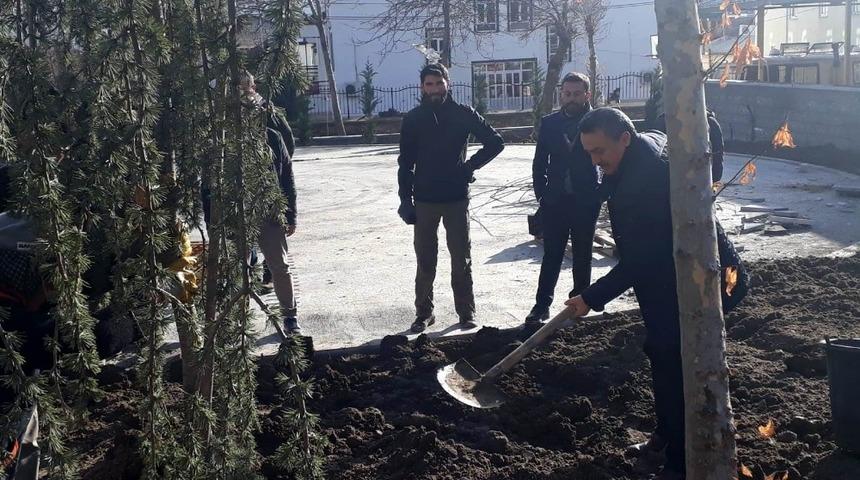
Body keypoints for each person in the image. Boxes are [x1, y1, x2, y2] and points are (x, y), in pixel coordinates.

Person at [565, 108, 748, 480]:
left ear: (624, 139)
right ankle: (666, 437)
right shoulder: (643, 148)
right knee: (663, 355)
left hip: (704, 281)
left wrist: (590, 297)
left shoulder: (642, 186)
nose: (595, 160)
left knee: (678, 367)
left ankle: (681, 464)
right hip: (674, 273)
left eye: (600, 151)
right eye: (589, 153)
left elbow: (639, 260)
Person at [397, 63, 505, 333]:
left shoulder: (463, 114)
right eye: (429, 84)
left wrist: (469, 167)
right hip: (424, 200)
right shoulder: (413, 119)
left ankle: (466, 312)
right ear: (422, 87)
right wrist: (405, 200)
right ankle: (424, 313)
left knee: (461, 259)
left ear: (448, 83)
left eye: (439, 83)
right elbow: (405, 163)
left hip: (456, 199)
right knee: (425, 260)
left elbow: (495, 142)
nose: (434, 89)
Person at [526, 72, 601, 325]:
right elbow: (539, 163)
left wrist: (599, 194)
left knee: (582, 255)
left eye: (576, 94)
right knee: (552, 255)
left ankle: (579, 304)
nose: (571, 98)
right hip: (555, 201)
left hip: (585, 200)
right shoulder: (550, 123)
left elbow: (609, 158)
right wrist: (542, 195)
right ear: (561, 94)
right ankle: (541, 306)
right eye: (567, 94)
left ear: (586, 94)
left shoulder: (598, 122)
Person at [239, 73, 301, 334]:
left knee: (279, 265)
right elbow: (208, 183)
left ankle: (290, 317)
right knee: (236, 268)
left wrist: (290, 213)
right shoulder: (223, 139)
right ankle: (237, 322)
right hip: (237, 212)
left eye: (246, 88)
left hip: (270, 209)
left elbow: (287, 175)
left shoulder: (272, 136)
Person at [654, 109, 725, 181]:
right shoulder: (710, 122)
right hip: (699, 181)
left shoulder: (664, 120)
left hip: (666, 179)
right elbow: (717, 162)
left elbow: (654, 154)